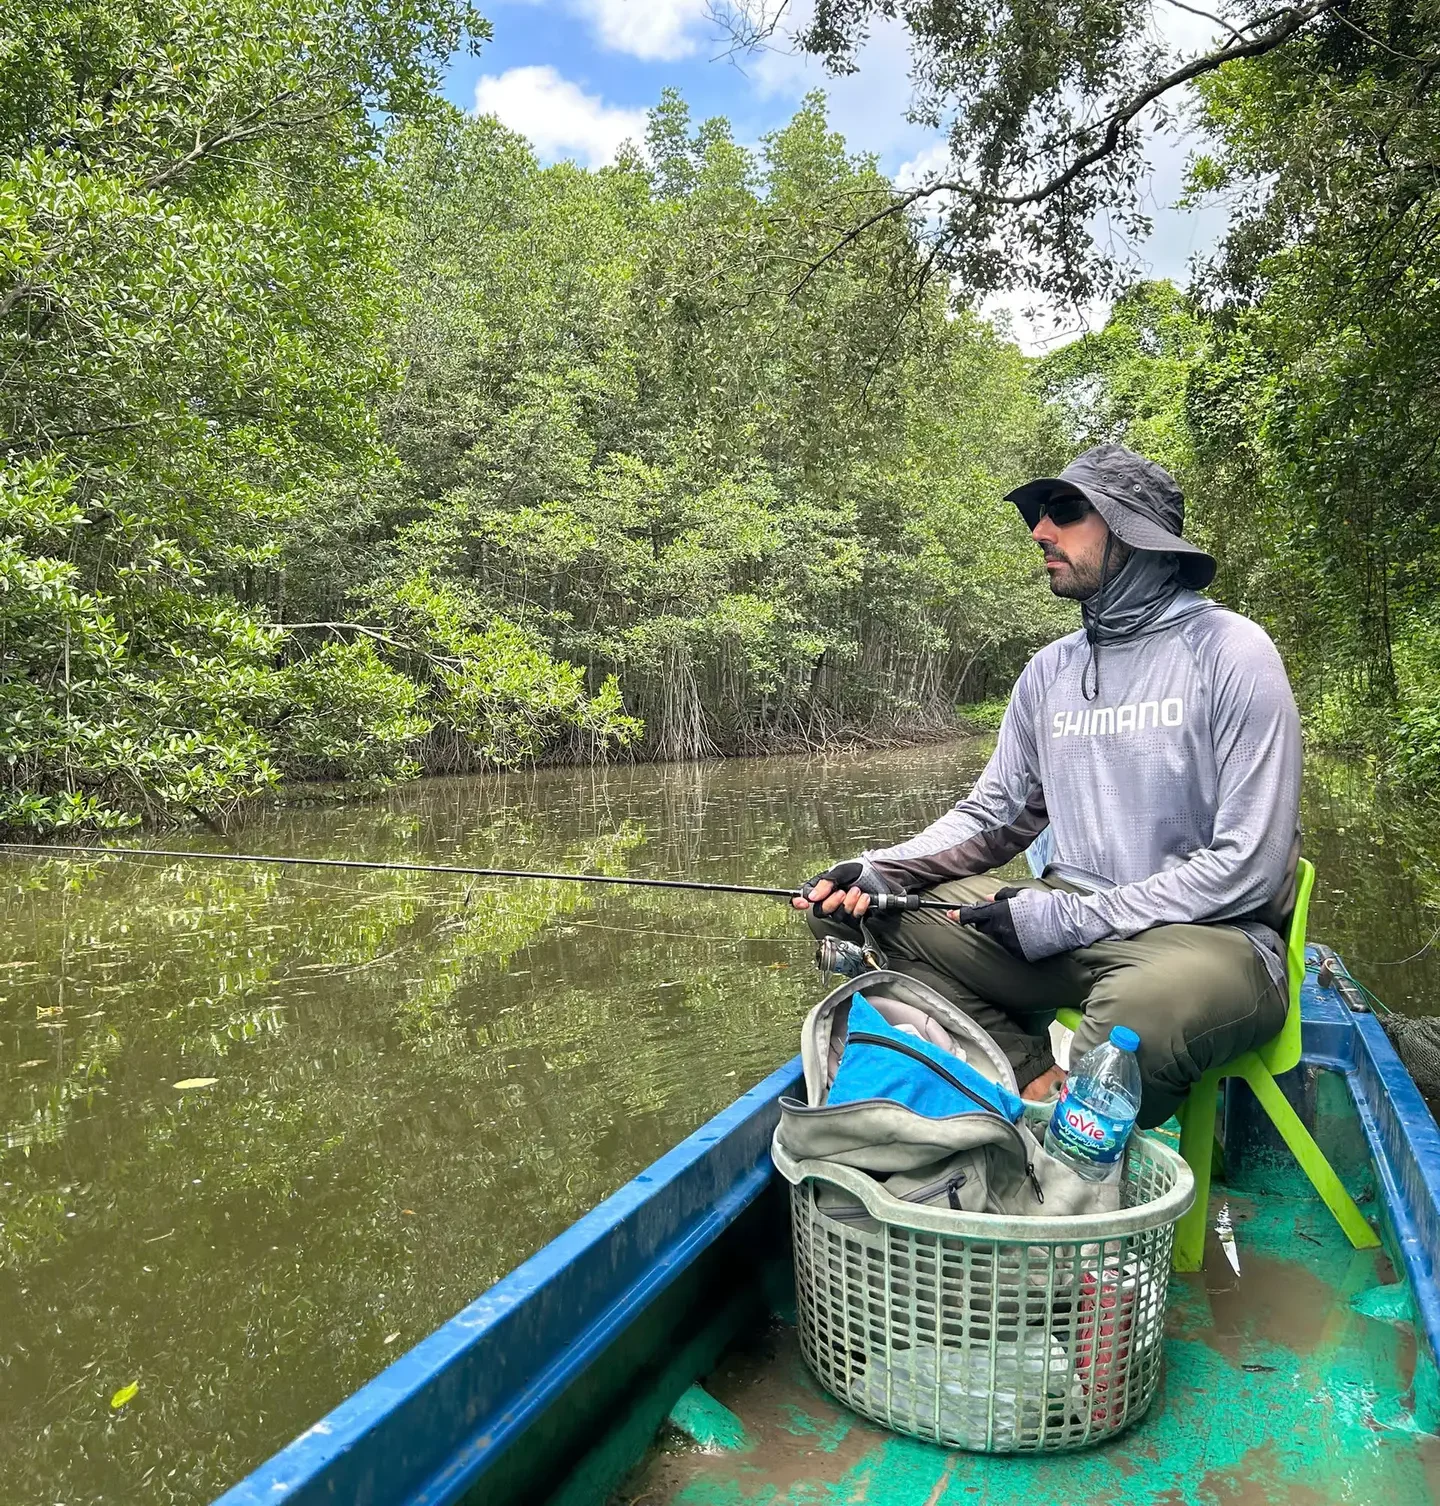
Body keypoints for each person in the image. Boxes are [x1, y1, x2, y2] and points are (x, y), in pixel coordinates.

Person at [795, 442, 1301, 1128]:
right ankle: (1029, 1073)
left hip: (1211, 938)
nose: (1040, 531)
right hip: (1067, 919)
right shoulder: (1049, 672)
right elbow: (993, 815)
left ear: (1135, 533)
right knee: (863, 910)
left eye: (1064, 511)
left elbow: (1250, 867)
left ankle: (1071, 1156)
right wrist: (881, 869)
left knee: (1139, 1016)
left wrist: (1064, 918)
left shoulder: (1232, 652)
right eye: (1040, 514)